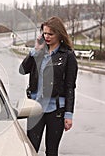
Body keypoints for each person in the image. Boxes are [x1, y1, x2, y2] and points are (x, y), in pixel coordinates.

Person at [19, 16, 78, 156]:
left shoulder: (68, 56)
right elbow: (22, 70)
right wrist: (35, 50)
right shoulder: (38, 52)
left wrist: (68, 114)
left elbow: (70, 86)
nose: (46, 36)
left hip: (56, 110)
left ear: (59, 34)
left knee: (52, 151)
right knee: (31, 149)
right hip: (35, 109)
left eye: (50, 34)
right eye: (44, 33)